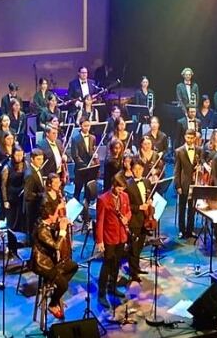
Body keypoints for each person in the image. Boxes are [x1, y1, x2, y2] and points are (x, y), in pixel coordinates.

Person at [31, 199, 79, 319]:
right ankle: (52, 304)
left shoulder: (46, 223)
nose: (58, 215)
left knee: (73, 266)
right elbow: (56, 246)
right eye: (57, 213)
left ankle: (55, 289)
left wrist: (63, 224)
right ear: (50, 215)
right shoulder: (41, 230)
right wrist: (62, 230)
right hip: (42, 265)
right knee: (64, 285)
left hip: (51, 261)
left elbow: (52, 228)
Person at [96, 174, 131, 308]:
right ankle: (101, 293)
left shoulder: (125, 196)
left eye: (123, 188)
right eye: (120, 188)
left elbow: (128, 211)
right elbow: (100, 222)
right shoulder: (103, 199)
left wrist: (126, 218)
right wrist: (100, 241)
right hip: (109, 237)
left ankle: (112, 287)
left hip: (121, 236)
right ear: (114, 186)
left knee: (116, 263)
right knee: (107, 265)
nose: (122, 191)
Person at [126, 159, 151, 282]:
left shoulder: (146, 181)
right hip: (134, 220)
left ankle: (137, 267)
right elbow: (126, 206)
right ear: (131, 170)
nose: (138, 171)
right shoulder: (128, 185)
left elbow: (148, 196)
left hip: (145, 219)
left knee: (140, 245)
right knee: (133, 248)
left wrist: (149, 202)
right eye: (135, 169)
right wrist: (139, 207)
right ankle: (133, 272)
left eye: (140, 169)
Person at [174, 129, 203, 239]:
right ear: (185, 137)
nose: (190, 139)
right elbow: (177, 170)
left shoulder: (199, 150)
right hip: (183, 183)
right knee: (182, 208)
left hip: (195, 183)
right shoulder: (179, 151)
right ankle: (182, 230)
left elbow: (201, 163)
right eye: (188, 137)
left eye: (192, 138)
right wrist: (178, 185)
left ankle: (190, 230)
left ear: (195, 138)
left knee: (192, 208)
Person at [71, 117, 98, 205]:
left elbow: (92, 151)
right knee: (77, 191)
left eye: (88, 126)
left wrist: (94, 156)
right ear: (80, 126)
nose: (87, 128)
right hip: (80, 169)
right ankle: (74, 209)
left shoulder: (93, 138)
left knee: (88, 190)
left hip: (90, 169)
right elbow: (75, 156)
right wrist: (85, 165)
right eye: (85, 126)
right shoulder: (75, 139)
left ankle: (86, 210)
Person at [1, 146, 26, 236]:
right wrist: (5, 201)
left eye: (21, 155)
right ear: (13, 155)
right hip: (11, 197)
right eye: (17, 155)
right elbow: (3, 186)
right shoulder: (7, 168)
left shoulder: (26, 164)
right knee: (12, 223)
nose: (19, 157)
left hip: (22, 197)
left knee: (22, 221)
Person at [24, 149, 47, 244]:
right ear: (32, 160)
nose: (41, 161)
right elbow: (28, 195)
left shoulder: (39, 169)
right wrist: (41, 195)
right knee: (33, 229)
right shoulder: (29, 174)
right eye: (38, 159)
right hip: (32, 206)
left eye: (42, 159)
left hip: (37, 204)